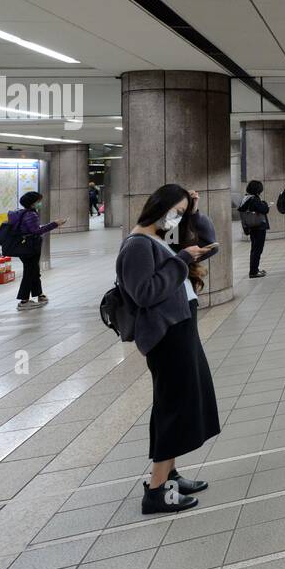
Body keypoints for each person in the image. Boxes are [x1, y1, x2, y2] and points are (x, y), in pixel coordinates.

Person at [116, 183, 220, 515]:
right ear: (156, 208)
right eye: (174, 212)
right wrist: (179, 263)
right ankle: (157, 489)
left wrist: (196, 212)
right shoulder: (137, 245)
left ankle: (170, 476)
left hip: (180, 327)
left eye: (180, 213)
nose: (177, 218)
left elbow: (206, 246)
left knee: (179, 402)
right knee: (172, 407)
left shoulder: (162, 237)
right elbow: (144, 293)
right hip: (165, 335)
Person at [7, 191, 66, 310]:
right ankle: (24, 301)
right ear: (33, 203)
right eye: (39, 201)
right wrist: (55, 224)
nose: (40, 203)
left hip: (25, 247)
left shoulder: (23, 213)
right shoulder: (31, 215)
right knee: (30, 272)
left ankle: (39, 294)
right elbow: (36, 231)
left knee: (34, 270)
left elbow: (31, 229)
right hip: (30, 247)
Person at [170, 189, 219, 295]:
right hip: (176, 289)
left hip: (186, 289)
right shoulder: (166, 230)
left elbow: (212, 246)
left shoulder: (176, 227)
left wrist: (193, 213)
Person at [238, 180, 270, 278]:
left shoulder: (246, 198)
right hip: (258, 227)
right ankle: (254, 271)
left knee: (254, 249)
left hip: (252, 227)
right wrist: (265, 203)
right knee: (257, 250)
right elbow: (264, 209)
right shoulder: (254, 199)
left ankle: (254, 269)